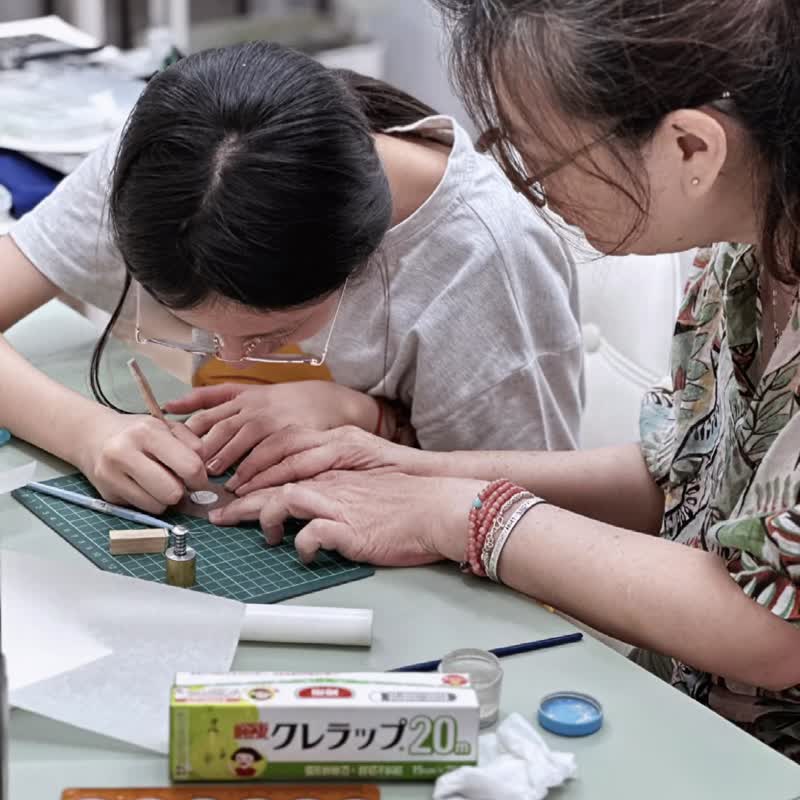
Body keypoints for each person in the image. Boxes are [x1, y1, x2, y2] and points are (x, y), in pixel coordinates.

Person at [211, 0, 800, 761]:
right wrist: (415, 471)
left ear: (692, 147)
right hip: (683, 719)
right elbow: (684, 474)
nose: (531, 191)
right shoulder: (744, 248)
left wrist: (463, 514)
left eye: (543, 156)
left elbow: (771, 631)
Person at [0, 40, 583, 513]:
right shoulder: (170, 161)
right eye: (187, 319)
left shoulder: (483, 260)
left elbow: (531, 509)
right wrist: (85, 433)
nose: (234, 354)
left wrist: (370, 420)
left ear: (358, 250)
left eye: (272, 333)